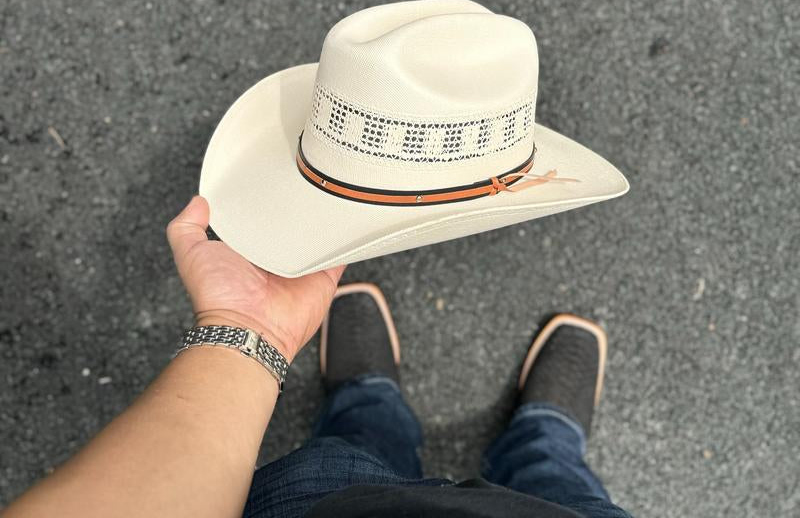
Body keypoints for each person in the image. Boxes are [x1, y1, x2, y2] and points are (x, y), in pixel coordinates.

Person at [6, 196, 632, 518]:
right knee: (557, 484)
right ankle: (546, 435)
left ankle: (367, 399)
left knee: (352, 449)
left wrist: (246, 330)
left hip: (328, 512)